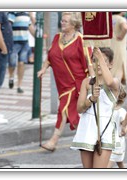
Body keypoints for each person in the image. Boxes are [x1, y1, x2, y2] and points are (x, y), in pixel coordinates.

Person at [37, 12, 93, 152]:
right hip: (61, 83)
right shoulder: (57, 37)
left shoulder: (81, 40)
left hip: (76, 83)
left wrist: (92, 81)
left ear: (74, 24)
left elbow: (89, 62)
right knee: (72, 113)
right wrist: (43, 69)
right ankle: (92, 136)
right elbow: (50, 56)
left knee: (63, 110)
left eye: (65, 21)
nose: (62, 23)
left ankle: (53, 141)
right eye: (62, 21)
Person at [70, 47, 120, 168]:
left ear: (110, 64)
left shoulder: (114, 82)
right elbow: (79, 109)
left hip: (105, 130)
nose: (98, 64)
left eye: (103, 61)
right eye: (95, 60)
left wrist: (99, 57)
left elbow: (108, 82)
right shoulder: (87, 82)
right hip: (87, 128)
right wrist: (91, 99)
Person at [7, 12, 35, 93]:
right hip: (14, 42)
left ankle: (19, 85)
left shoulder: (26, 14)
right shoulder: (13, 13)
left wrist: (38, 37)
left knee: (21, 63)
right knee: (12, 63)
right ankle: (11, 77)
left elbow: (30, 27)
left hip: (24, 43)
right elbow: (8, 27)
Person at [107, 86, 127, 168]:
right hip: (109, 140)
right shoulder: (108, 110)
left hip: (116, 142)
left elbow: (125, 124)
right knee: (120, 163)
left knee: (108, 165)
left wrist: (124, 130)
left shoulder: (121, 112)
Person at [110, 12, 127, 85]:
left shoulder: (109, 18)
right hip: (119, 45)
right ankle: (117, 86)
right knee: (119, 65)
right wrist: (121, 36)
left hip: (110, 44)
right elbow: (125, 28)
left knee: (111, 63)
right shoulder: (121, 19)